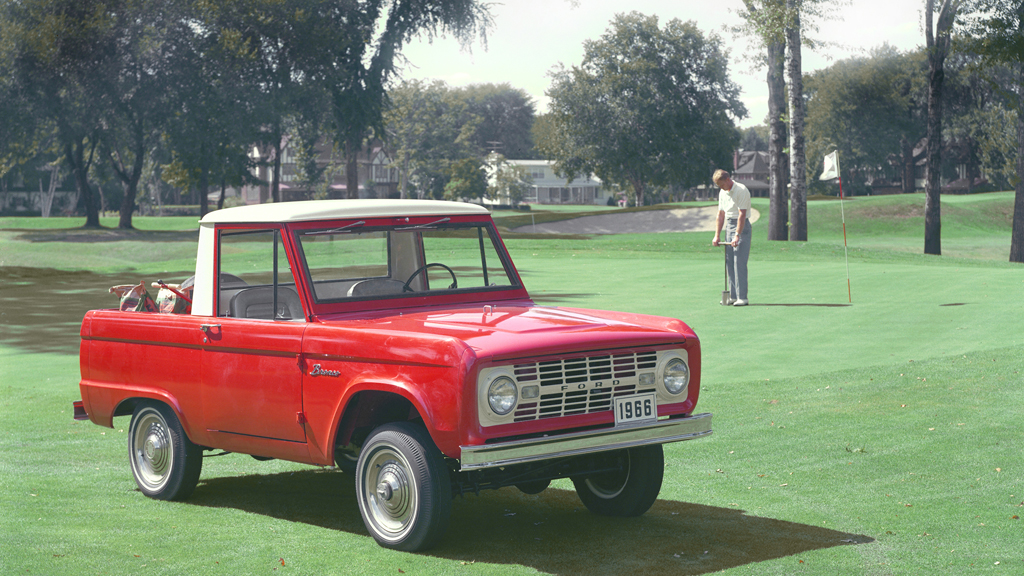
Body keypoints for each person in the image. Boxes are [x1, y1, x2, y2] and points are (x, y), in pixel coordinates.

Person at [711, 169, 751, 306]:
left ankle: (742, 297)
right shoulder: (723, 192)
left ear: (728, 179)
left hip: (742, 227)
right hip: (729, 225)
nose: (721, 188)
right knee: (729, 263)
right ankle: (733, 296)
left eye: (722, 185)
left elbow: (742, 215)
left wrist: (737, 235)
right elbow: (720, 215)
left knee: (738, 262)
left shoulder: (741, 190)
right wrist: (717, 235)